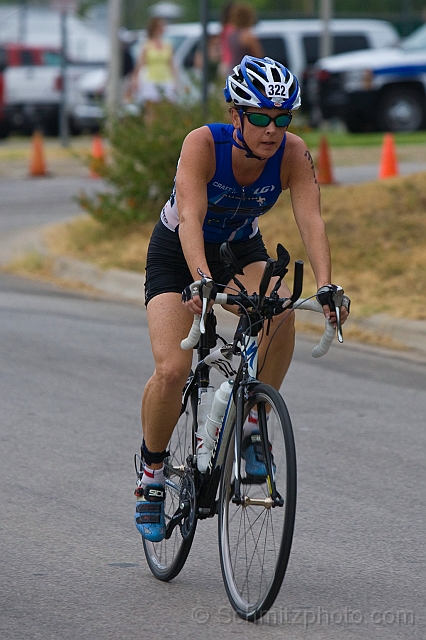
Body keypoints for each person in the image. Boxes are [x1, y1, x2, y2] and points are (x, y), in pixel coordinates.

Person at [134, 55, 350, 542]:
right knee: (173, 369)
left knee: (280, 309)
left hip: (239, 248)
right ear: (236, 115)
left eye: (282, 118)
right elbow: (190, 215)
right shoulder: (203, 144)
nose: (271, 130)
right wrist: (200, 279)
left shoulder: (292, 152)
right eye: (259, 117)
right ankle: (151, 473)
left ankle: (253, 422)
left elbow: (311, 219)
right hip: (178, 252)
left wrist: (327, 284)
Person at [132, 17, 176, 109]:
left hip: (166, 79)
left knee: (167, 110)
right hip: (151, 80)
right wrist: (135, 79)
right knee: (151, 109)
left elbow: (171, 64)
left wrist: (175, 80)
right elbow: (140, 64)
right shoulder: (147, 45)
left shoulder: (167, 45)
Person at [227, 3, 264, 70]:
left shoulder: (231, 35)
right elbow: (259, 58)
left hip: (235, 70)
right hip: (247, 72)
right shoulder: (248, 36)